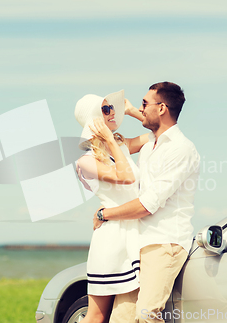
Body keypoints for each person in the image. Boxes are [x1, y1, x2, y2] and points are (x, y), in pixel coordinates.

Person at [93, 82, 200, 323]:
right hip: (137, 242)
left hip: (163, 242)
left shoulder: (181, 149)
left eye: (144, 104)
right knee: (121, 319)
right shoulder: (150, 143)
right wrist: (125, 111)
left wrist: (104, 214)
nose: (140, 108)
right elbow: (110, 147)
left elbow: (147, 205)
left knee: (145, 315)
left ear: (161, 108)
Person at [74, 89, 149, 323]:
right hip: (111, 238)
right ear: (94, 119)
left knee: (132, 312)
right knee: (97, 316)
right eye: (105, 109)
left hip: (136, 233)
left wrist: (134, 112)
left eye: (112, 108)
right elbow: (126, 176)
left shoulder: (121, 145)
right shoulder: (86, 161)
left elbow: (162, 135)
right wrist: (108, 139)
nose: (112, 113)